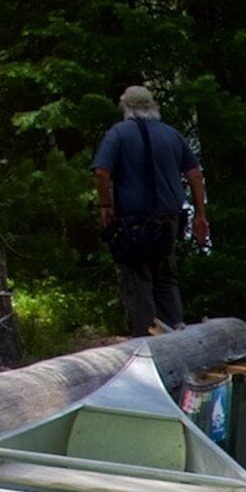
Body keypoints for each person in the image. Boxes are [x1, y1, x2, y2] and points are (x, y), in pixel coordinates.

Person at [92, 86, 210, 336]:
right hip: (169, 219)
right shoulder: (171, 134)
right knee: (166, 276)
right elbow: (195, 174)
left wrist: (105, 205)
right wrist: (200, 214)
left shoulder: (118, 134)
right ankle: (176, 335)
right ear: (152, 106)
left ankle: (146, 341)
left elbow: (102, 171)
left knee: (138, 280)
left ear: (125, 106)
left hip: (132, 220)